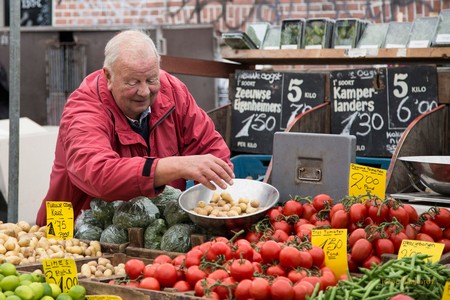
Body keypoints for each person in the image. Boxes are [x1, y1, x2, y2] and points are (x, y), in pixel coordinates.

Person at [36, 29, 234, 226]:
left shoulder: (172, 90)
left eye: (151, 79)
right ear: (108, 76)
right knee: (62, 252)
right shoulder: (83, 108)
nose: (144, 91)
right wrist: (177, 166)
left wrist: (216, 207)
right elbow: (98, 174)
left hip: (152, 227)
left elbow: (210, 149)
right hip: (70, 223)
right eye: (132, 82)